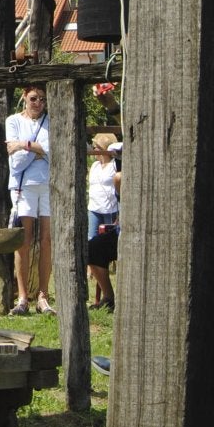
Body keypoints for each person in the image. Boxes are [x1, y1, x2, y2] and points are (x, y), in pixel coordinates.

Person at [6, 85, 53, 315]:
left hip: (48, 184)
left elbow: (51, 151)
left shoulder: (49, 121)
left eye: (42, 100)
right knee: (23, 241)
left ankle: (43, 295)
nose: (38, 103)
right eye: (34, 98)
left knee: (47, 240)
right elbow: (15, 162)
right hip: (23, 186)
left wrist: (25, 145)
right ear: (24, 97)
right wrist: (38, 151)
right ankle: (22, 297)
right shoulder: (13, 121)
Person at [86, 132, 122, 310]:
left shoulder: (116, 167)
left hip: (112, 212)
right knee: (91, 247)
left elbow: (119, 178)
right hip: (96, 208)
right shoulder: (94, 167)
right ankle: (108, 297)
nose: (94, 150)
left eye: (97, 147)